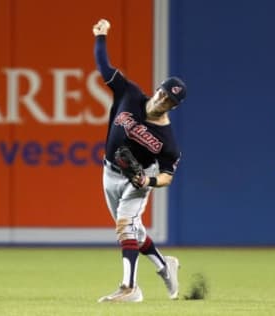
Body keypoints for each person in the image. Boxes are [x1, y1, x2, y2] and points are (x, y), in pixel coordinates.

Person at [93, 18, 187, 303]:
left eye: (169, 101)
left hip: (138, 180)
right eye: (162, 93)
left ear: (174, 106)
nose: (162, 101)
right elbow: (104, 69)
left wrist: (149, 181)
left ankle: (130, 288)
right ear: (158, 89)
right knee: (133, 230)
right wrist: (100, 36)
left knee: (125, 226)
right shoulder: (129, 94)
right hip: (109, 172)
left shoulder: (168, 140)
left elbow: (169, 175)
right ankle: (163, 264)